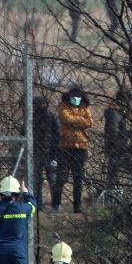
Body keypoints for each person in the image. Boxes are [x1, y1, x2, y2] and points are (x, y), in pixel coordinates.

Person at [52, 86, 93, 214]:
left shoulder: (84, 107)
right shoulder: (63, 106)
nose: (76, 99)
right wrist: (80, 121)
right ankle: (56, 204)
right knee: (62, 177)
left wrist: (74, 122)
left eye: (78, 97)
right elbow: (66, 118)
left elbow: (89, 122)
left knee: (78, 178)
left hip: (81, 147)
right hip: (65, 147)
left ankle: (77, 206)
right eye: (73, 97)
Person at [32, 96, 60, 211]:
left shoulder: (51, 117)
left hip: (50, 153)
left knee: (52, 179)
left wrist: (55, 153)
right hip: (36, 153)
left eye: (36, 105)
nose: (35, 107)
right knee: (37, 181)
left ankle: (56, 204)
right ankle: (38, 206)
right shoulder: (32, 118)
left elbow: (57, 135)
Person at [103, 88, 130, 190]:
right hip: (116, 148)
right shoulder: (114, 113)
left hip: (118, 147)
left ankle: (110, 193)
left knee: (113, 174)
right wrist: (127, 134)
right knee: (113, 174)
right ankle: (109, 194)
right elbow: (113, 132)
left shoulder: (119, 112)